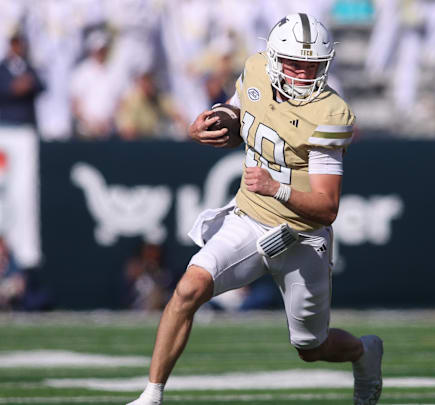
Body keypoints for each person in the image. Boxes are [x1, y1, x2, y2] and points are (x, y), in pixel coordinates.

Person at [127, 13, 383, 405]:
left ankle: (364, 352)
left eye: (312, 66)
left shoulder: (329, 114)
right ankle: (151, 395)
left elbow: (327, 206)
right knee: (187, 289)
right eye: (295, 64)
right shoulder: (257, 70)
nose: (302, 74)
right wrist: (211, 123)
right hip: (250, 219)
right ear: (275, 60)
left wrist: (276, 188)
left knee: (310, 347)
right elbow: (239, 112)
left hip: (301, 238)